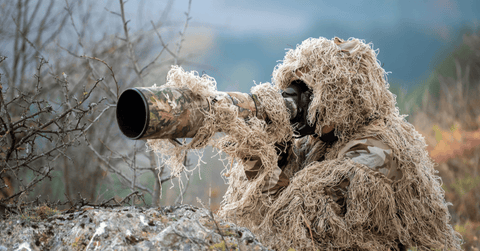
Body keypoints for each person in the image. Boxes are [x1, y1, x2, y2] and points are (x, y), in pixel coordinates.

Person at [218, 37, 462, 250]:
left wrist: (261, 157)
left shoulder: (372, 153)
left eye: (309, 91)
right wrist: (276, 148)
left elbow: (297, 227)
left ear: (342, 99)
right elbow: (286, 191)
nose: (298, 99)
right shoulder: (328, 138)